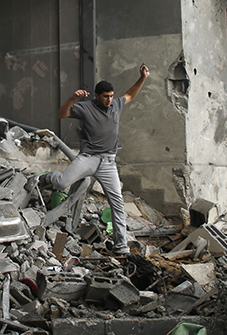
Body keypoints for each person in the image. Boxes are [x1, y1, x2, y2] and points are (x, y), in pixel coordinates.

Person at [41, 63, 150, 255]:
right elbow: (62, 114)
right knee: (62, 184)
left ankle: (121, 246)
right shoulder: (85, 108)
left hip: (108, 163)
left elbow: (130, 94)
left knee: (117, 202)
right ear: (97, 96)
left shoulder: (116, 105)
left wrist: (142, 78)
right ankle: (49, 178)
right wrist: (73, 99)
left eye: (110, 96)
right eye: (105, 96)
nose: (109, 100)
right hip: (87, 158)